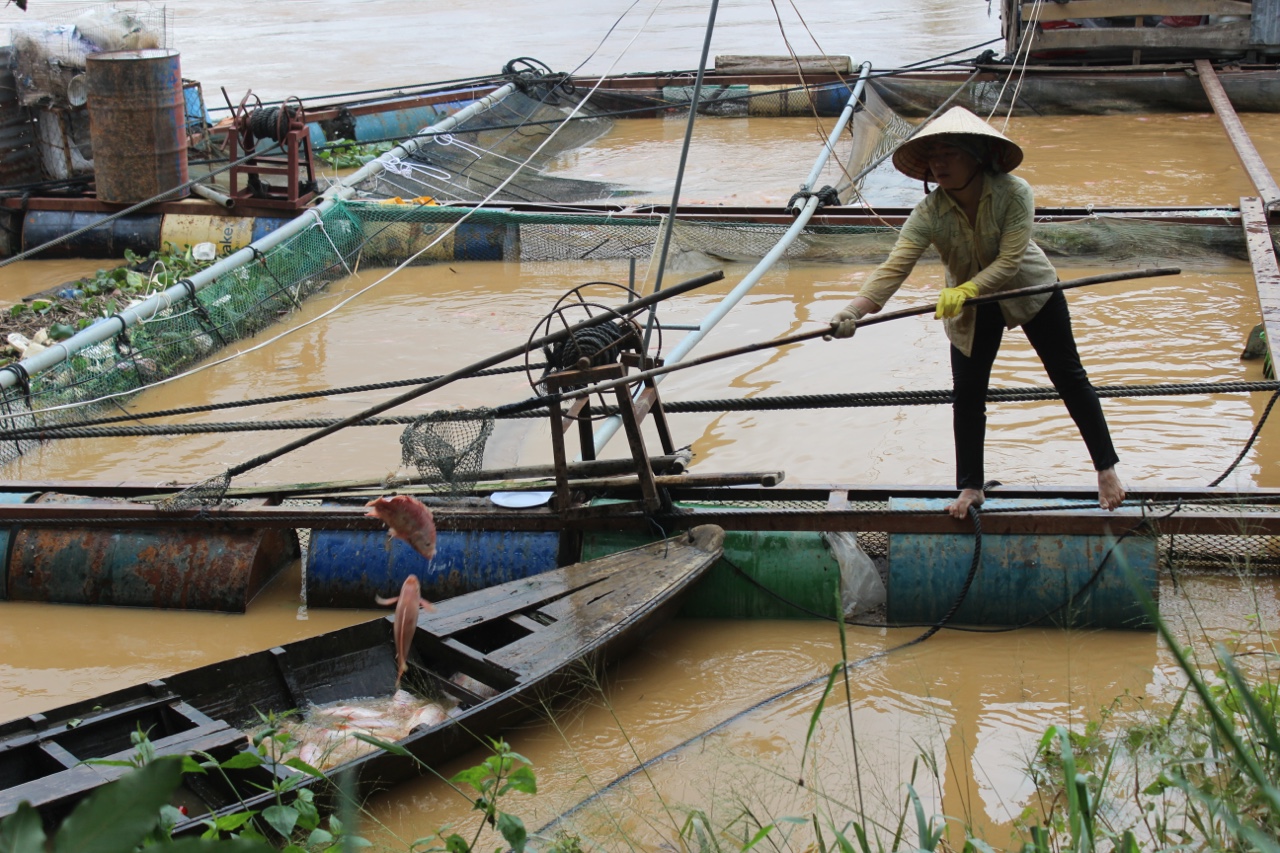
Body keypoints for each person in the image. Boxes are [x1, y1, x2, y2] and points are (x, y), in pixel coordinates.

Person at [826, 106, 1125, 519]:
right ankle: (971, 487)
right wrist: (852, 311)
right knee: (967, 396)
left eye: (949, 153)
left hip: (1031, 289)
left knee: (1069, 377)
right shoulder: (928, 213)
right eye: (933, 156)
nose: (939, 163)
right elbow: (895, 267)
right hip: (966, 305)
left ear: (976, 156)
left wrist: (967, 287)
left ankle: (1106, 470)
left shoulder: (1014, 193)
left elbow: (1009, 260)